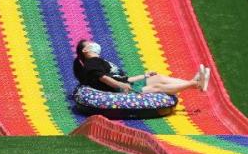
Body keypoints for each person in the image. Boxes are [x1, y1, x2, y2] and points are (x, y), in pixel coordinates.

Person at [72, 39, 209, 95]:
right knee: (158, 87)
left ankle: (197, 83)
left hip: (126, 84)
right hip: (122, 90)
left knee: (158, 78)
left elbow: (124, 78)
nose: (94, 44)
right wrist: (120, 85)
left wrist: (145, 76)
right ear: (85, 51)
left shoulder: (99, 61)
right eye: (90, 44)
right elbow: (103, 78)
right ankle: (194, 83)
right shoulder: (92, 63)